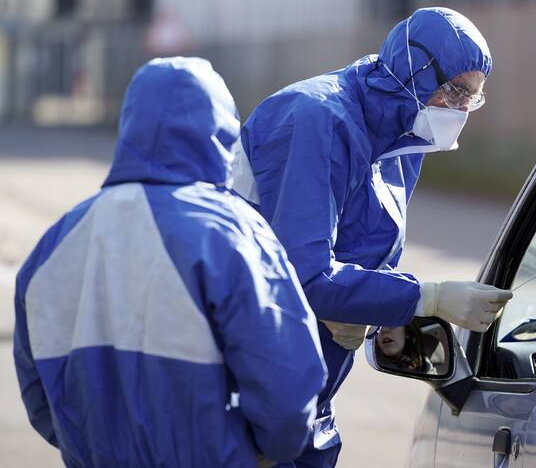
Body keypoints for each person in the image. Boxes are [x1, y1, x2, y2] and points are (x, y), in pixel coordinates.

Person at [231, 6, 513, 467]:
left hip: (305, 392)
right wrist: (427, 297)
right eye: (456, 92)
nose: (462, 110)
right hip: (245, 389)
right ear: (415, 71)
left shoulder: (404, 139)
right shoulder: (316, 119)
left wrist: (386, 313)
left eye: (473, 99)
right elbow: (303, 275)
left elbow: (366, 256)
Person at [13, 57, 327, 468]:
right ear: (223, 134)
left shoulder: (55, 244)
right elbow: (286, 382)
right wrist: (264, 451)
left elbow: (39, 394)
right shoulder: (233, 233)